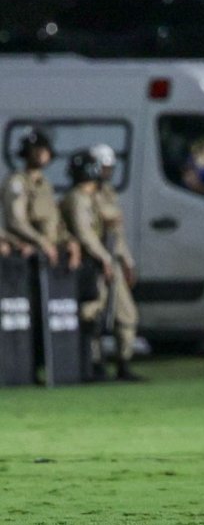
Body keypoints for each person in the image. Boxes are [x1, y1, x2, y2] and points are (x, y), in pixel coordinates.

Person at [60, 150, 113, 381]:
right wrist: (105, 258)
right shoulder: (78, 198)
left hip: (92, 259)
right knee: (88, 313)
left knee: (96, 313)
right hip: (85, 261)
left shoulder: (90, 196)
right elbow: (84, 233)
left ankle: (95, 363)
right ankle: (87, 364)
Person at [90, 143, 142, 381]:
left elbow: (117, 235)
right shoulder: (85, 196)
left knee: (127, 314)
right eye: (104, 167)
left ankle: (124, 362)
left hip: (112, 260)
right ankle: (95, 363)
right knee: (96, 313)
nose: (107, 173)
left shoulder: (109, 194)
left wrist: (127, 261)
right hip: (95, 264)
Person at [2, 129, 81, 270]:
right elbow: (16, 221)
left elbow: (54, 218)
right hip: (28, 253)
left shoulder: (44, 184)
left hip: (50, 253)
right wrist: (42, 242)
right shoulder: (17, 182)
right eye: (36, 149)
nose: (41, 154)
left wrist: (68, 240)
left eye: (43, 149)